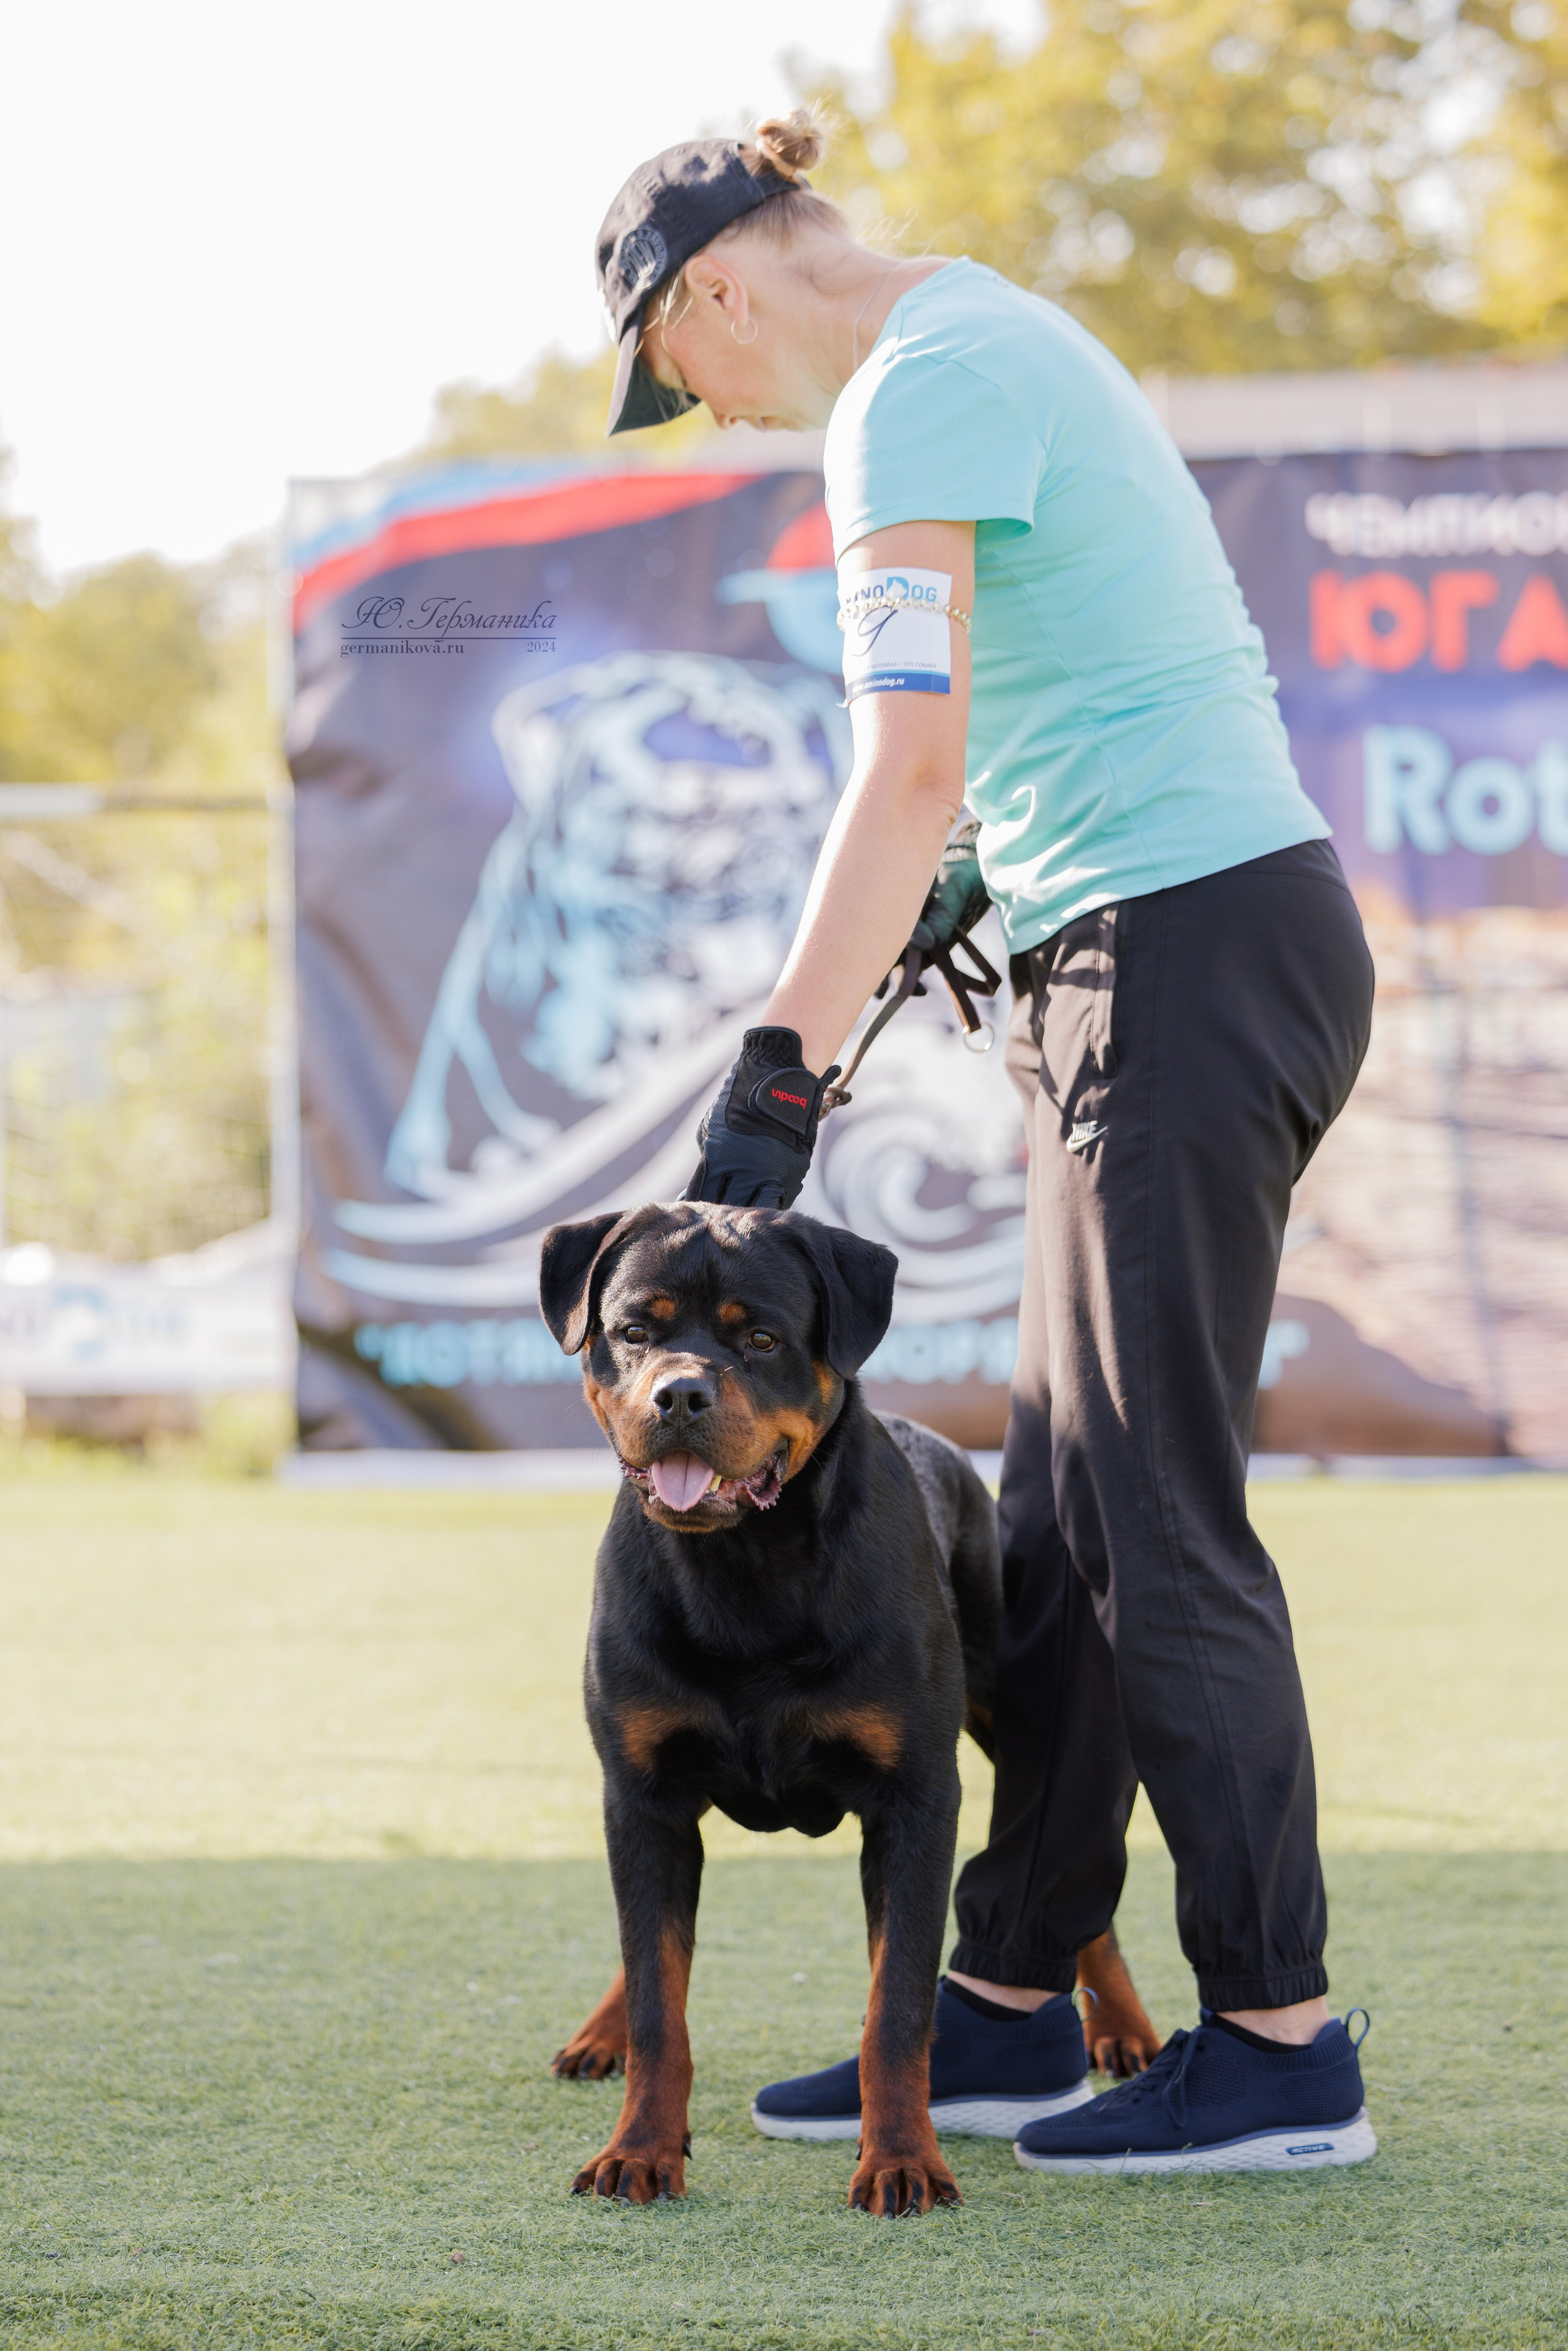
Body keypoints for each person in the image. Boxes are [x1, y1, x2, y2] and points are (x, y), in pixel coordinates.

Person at [589, 112, 1378, 2174]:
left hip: (1180, 955)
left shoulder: (907, 401)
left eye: (691, 372)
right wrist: (992, 891)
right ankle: (1014, 2000)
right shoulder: (991, 341)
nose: (719, 407)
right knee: (1055, 1529)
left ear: (716, 292)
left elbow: (908, 762)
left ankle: (1284, 2042)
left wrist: (778, 1074)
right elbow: (1024, 740)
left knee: (1155, 1517)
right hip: (1165, 936)